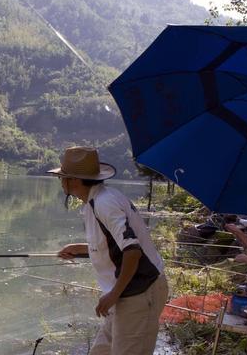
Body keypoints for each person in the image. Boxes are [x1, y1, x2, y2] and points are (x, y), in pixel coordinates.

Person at [49, 147, 167, 355]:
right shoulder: (96, 201)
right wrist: (79, 249)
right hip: (125, 294)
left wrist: (113, 294)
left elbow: (132, 251)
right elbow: (115, 246)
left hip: (139, 292)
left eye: (63, 177)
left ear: (74, 180)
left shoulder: (104, 203)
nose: (61, 182)